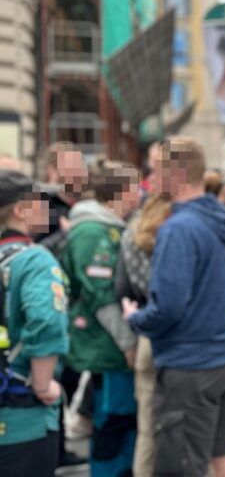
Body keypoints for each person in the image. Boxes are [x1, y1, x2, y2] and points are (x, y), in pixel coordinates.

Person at [122, 137, 225, 477]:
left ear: (175, 174)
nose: (151, 177)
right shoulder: (217, 218)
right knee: (223, 453)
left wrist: (136, 318)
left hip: (192, 363)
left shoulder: (178, 228)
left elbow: (169, 308)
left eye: (156, 169)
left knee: (181, 465)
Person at [61, 160, 142, 476]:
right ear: (120, 193)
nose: (139, 197)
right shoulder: (92, 231)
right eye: (135, 190)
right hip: (108, 345)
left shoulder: (108, 226)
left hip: (112, 343)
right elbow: (100, 293)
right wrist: (127, 341)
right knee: (114, 419)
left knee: (122, 419)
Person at [0, 170, 69, 477]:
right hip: (21, 416)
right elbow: (46, 322)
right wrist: (42, 384)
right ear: (19, 210)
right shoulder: (35, 261)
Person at [115, 192, 172, 477]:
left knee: (147, 428)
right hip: (178, 335)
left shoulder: (131, 232)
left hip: (145, 331)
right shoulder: (176, 230)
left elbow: (121, 288)